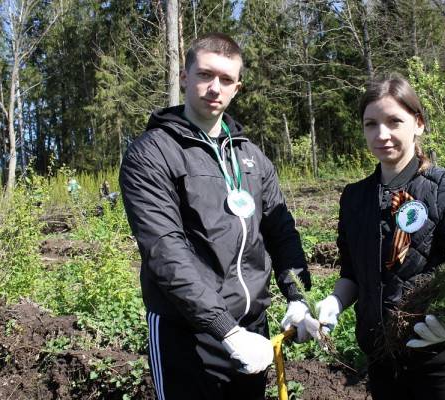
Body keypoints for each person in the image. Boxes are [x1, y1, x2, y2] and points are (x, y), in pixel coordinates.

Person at [119, 32, 311, 400]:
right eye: (205, 75)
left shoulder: (251, 156)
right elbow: (165, 249)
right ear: (185, 77)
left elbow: (281, 230)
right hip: (187, 333)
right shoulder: (153, 153)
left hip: (252, 327)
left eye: (226, 79)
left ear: (237, 88)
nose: (214, 88)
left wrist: (298, 296)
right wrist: (225, 329)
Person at [313, 74, 445, 400]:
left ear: (418, 123)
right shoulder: (354, 199)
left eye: (395, 121)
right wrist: (336, 301)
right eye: (371, 124)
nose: (382, 134)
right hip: (384, 368)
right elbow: (352, 273)